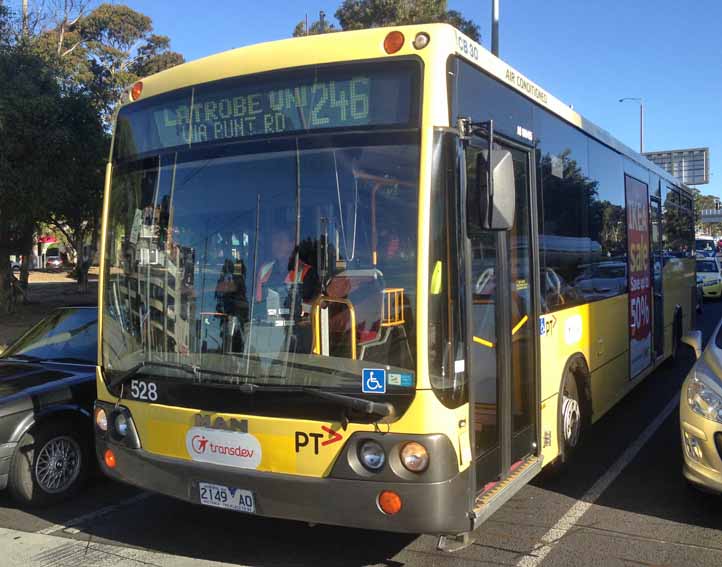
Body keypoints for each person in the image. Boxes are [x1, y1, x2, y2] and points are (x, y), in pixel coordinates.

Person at [255, 229, 318, 311]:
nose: (276, 245)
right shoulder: (264, 269)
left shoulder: (308, 272)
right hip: (266, 322)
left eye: (280, 241)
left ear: (292, 244)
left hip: (297, 322)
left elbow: (313, 306)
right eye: (274, 241)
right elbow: (258, 302)